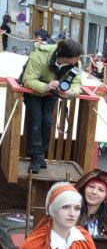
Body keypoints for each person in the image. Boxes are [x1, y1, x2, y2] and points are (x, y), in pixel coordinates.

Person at [21, 39, 84, 173]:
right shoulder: (41, 54)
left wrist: (68, 92)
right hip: (34, 91)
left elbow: (77, 84)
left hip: (52, 94)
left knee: (47, 123)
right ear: (67, 56)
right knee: (36, 122)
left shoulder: (75, 63)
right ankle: (35, 158)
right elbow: (28, 79)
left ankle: (41, 156)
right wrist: (46, 86)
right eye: (77, 57)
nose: (79, 59)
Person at [75, 169, 107, 237]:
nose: (94, 192)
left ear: (105, 196)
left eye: (101, 190)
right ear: (85, 189)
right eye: (91, 186)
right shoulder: (73, 214)